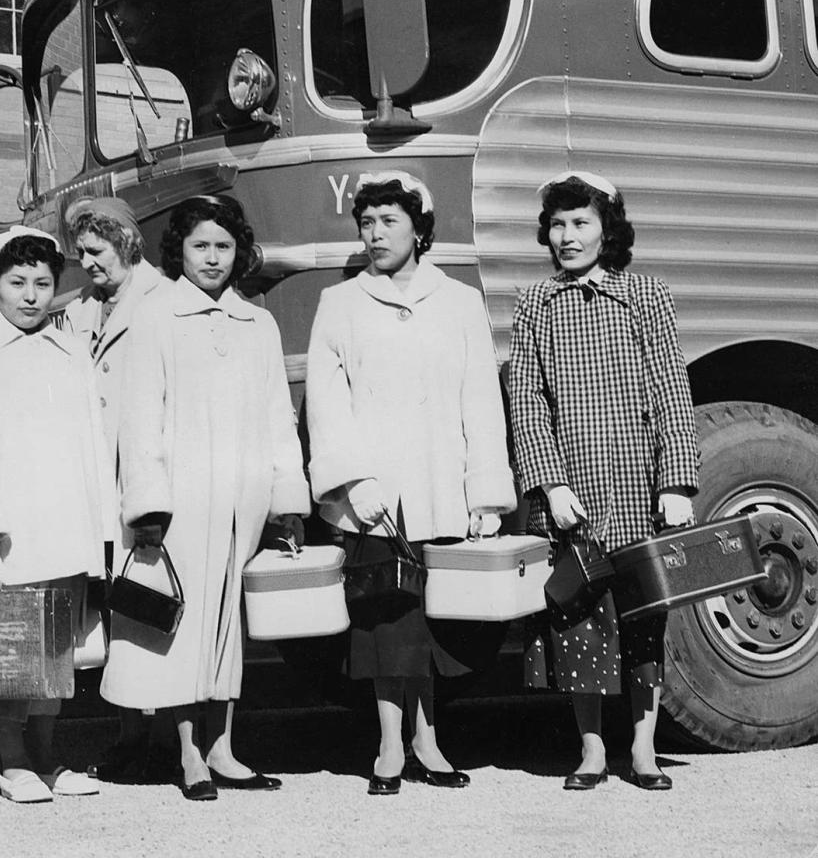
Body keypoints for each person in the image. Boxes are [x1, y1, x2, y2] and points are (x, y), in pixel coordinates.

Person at [305, 171, 516, 794]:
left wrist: (487, 493)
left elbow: (481, 398)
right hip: (376, 497)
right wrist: (352, 482)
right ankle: (390, 746)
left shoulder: (459, 302)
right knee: (384, 625)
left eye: (388, 221)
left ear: (419, 228)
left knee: (431, 624)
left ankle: (429, 739)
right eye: (365, 223)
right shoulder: (339, 304)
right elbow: (326, 402)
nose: (375, 234)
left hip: (441, 487)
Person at [101, 194, 310, 801]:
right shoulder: (156, 315)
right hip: (179, 504)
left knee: (226, 625)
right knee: (184, 628)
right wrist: (149, 506)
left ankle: (223, 747)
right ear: (180, 251)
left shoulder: (258, 322)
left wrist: (284, 500)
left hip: (242, 502)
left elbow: (278, 416)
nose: (213, 258)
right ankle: (189, 752)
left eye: (223, 246)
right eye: (201, 246)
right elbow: (140, 418)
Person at [509, 170, 699, 792]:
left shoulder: (646, 294)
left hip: (639, 487)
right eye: (558, 224)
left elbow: (672, 390)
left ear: (607, 228)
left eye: (581, 223)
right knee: (578, 619)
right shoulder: (535, 303)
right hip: (573, 496)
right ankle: (591, 749)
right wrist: (550, 484)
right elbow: (528, 403)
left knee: (645, 618)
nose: (568, 236)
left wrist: (675, 484)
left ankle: (642, 748)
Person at [0, 225, 114, 804]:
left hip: (66, 528)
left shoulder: (70, 351)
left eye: (42, 282)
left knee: (56, 654)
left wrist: (102, 531)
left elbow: (93, 443)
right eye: (17, 283)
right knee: (7, 652)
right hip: (10, 535)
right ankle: (12, 761)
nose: (32, 295)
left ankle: (47, 757)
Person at [59, 195, 170, 783]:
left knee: (150, 609)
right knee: (115, 610)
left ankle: (165, 737)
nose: (86, 262)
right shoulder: (80, 309)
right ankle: (131, 733)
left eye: (95, 250)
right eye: (81, 253)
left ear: (126, 243)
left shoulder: (165, 301)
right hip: (98, 480)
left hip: (145, 480)